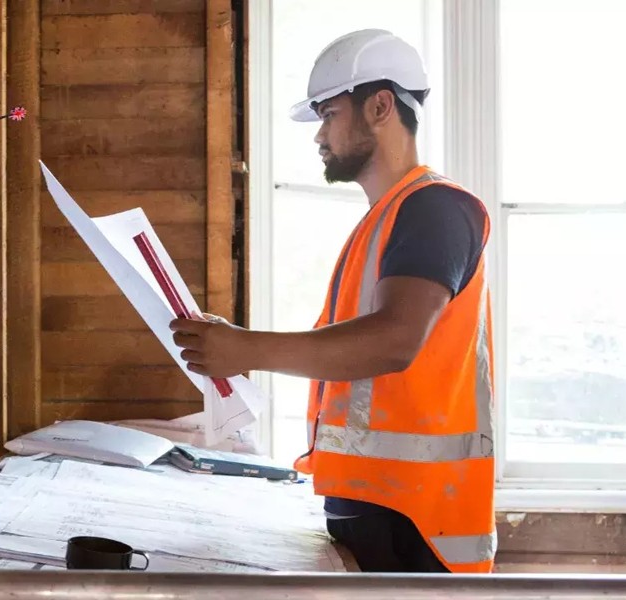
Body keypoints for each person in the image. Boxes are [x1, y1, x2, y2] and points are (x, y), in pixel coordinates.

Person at [170, 29, 496, 573]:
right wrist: (238, 346)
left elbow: (394, 341)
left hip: (419, 527)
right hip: (384, 510)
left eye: (329, 114)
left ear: (380, 106)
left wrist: (244, 349)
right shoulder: (387, 219)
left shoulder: (434, 208)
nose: (320, 135)